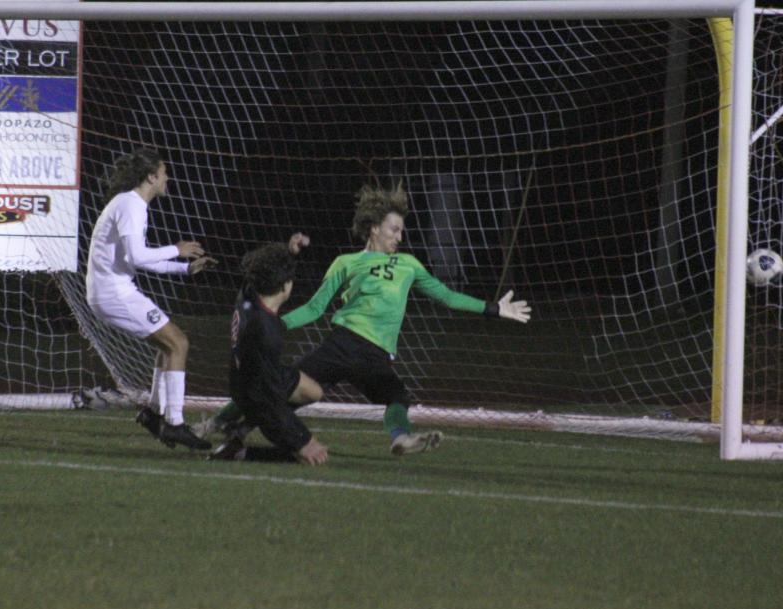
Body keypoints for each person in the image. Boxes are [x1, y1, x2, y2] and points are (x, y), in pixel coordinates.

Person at [199, 182, 531, 456]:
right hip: (344, 344)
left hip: (368, 353)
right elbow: (316, 308)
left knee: (390, 395)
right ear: (374, 229)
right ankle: (220, 425)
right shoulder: (345, 262)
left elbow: (446, 296)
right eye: (394, 229)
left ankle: (399, 440)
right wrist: (274, 325)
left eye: (401, 231)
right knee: (283, 387)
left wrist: (494, 308)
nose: (399, 237)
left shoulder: (410, 265)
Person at [86, 147, 216, 450]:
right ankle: (175, 423)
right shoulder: (131, 205)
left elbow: (138, 258)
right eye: (164, 172)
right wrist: (177, 249)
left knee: (166, 346)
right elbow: (138, 256)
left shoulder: (129, 204)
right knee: (179, 343)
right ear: (151, 176)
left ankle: (156, 416)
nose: (167, 177)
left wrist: (185, 268)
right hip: (113, 291)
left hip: (112, 289)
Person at [210, 236, 329, 465]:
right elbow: (270, 402)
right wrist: (303, 439)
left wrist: (289, 252)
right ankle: (239, 452)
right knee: (310, 457)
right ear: (285, 286)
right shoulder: (266, 332)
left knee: (313, 391)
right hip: (255, 392)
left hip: (246, 375)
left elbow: (264, 267)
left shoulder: (249, 294)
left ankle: (235, 425)